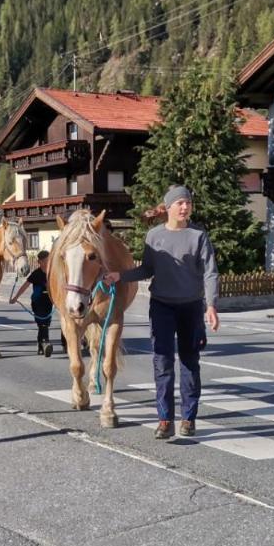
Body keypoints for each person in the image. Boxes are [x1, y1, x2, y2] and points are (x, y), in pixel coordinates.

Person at [104, 185, 219, 440]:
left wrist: (211, 305)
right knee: (163, 362)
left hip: (191, 306)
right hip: (162, 306)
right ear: (168, 207)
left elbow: (211, 272)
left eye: (188, 202)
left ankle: (188, 419)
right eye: (180, 203)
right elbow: (146, 270)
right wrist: (119, 276)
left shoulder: (198, 236)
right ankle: (164, 419)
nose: (185, 207)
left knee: (190, 362)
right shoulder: (154, 236)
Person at [9, 250, 54, 357]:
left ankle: (40, 346)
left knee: (45, 324)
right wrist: (15, 297)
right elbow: (25, 286)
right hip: (37, 302)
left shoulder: (52, 273)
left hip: (49, 302)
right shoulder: (36, 274)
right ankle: (45, 342)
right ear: (40, 262)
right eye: (46, 261)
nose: (48, 263)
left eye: (49, 260)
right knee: (43, 323)